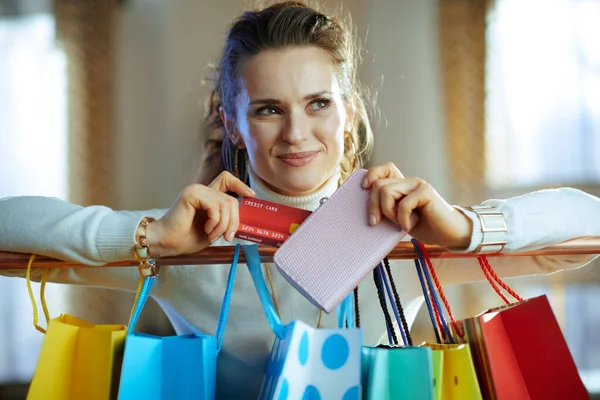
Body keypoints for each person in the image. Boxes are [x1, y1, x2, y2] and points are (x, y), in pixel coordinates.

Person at [1, 2, 599, 398]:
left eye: (318, 103)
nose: (295, 134)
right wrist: (150, 240)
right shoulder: (189, 239)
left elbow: (590, 223)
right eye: (267, 109)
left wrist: (464, 227)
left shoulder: (405, 233)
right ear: (234, 126)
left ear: (350, 113)